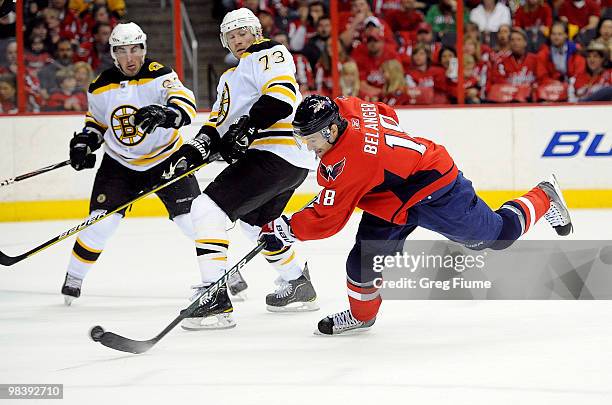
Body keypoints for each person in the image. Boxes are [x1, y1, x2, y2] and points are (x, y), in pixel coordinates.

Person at [259, 95, 573, 335]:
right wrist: (384, 166)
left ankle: (544, 194)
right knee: (361, 262)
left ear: (330, 130)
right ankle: (362, 315)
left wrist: (286, 228)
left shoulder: (348, 163)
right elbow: (385, 113)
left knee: (497, 236)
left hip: (435, 188)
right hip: (391, 195)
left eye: (310, 140)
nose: (308, 147)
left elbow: (328, 219)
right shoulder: (347, 107)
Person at [162, 8, 319, 330]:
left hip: (276, 152)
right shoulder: (229, 77)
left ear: (256, 32)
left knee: (205, 210)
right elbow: (219, 124)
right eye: (231, 36)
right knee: (255, 223)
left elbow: (281, 99)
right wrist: (192, 151)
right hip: (285, 160)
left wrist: (247, 127)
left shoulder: (268, 52)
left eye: (242, 33)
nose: (237, 40)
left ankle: (214, 300)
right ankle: (299, 285)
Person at [60, 22, 200, 305]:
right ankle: (74, 277)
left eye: (135, 49)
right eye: (122, 51)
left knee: (193, 221)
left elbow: (185, 104)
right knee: (100, 223)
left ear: (144, 49)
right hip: (120, 165)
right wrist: (84, 143)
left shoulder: (160, 75)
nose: (130, 57)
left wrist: (166, 113)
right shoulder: (99, 86)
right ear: (113, 54)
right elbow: (96, 123)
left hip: (166, 159)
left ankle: (225, 275)